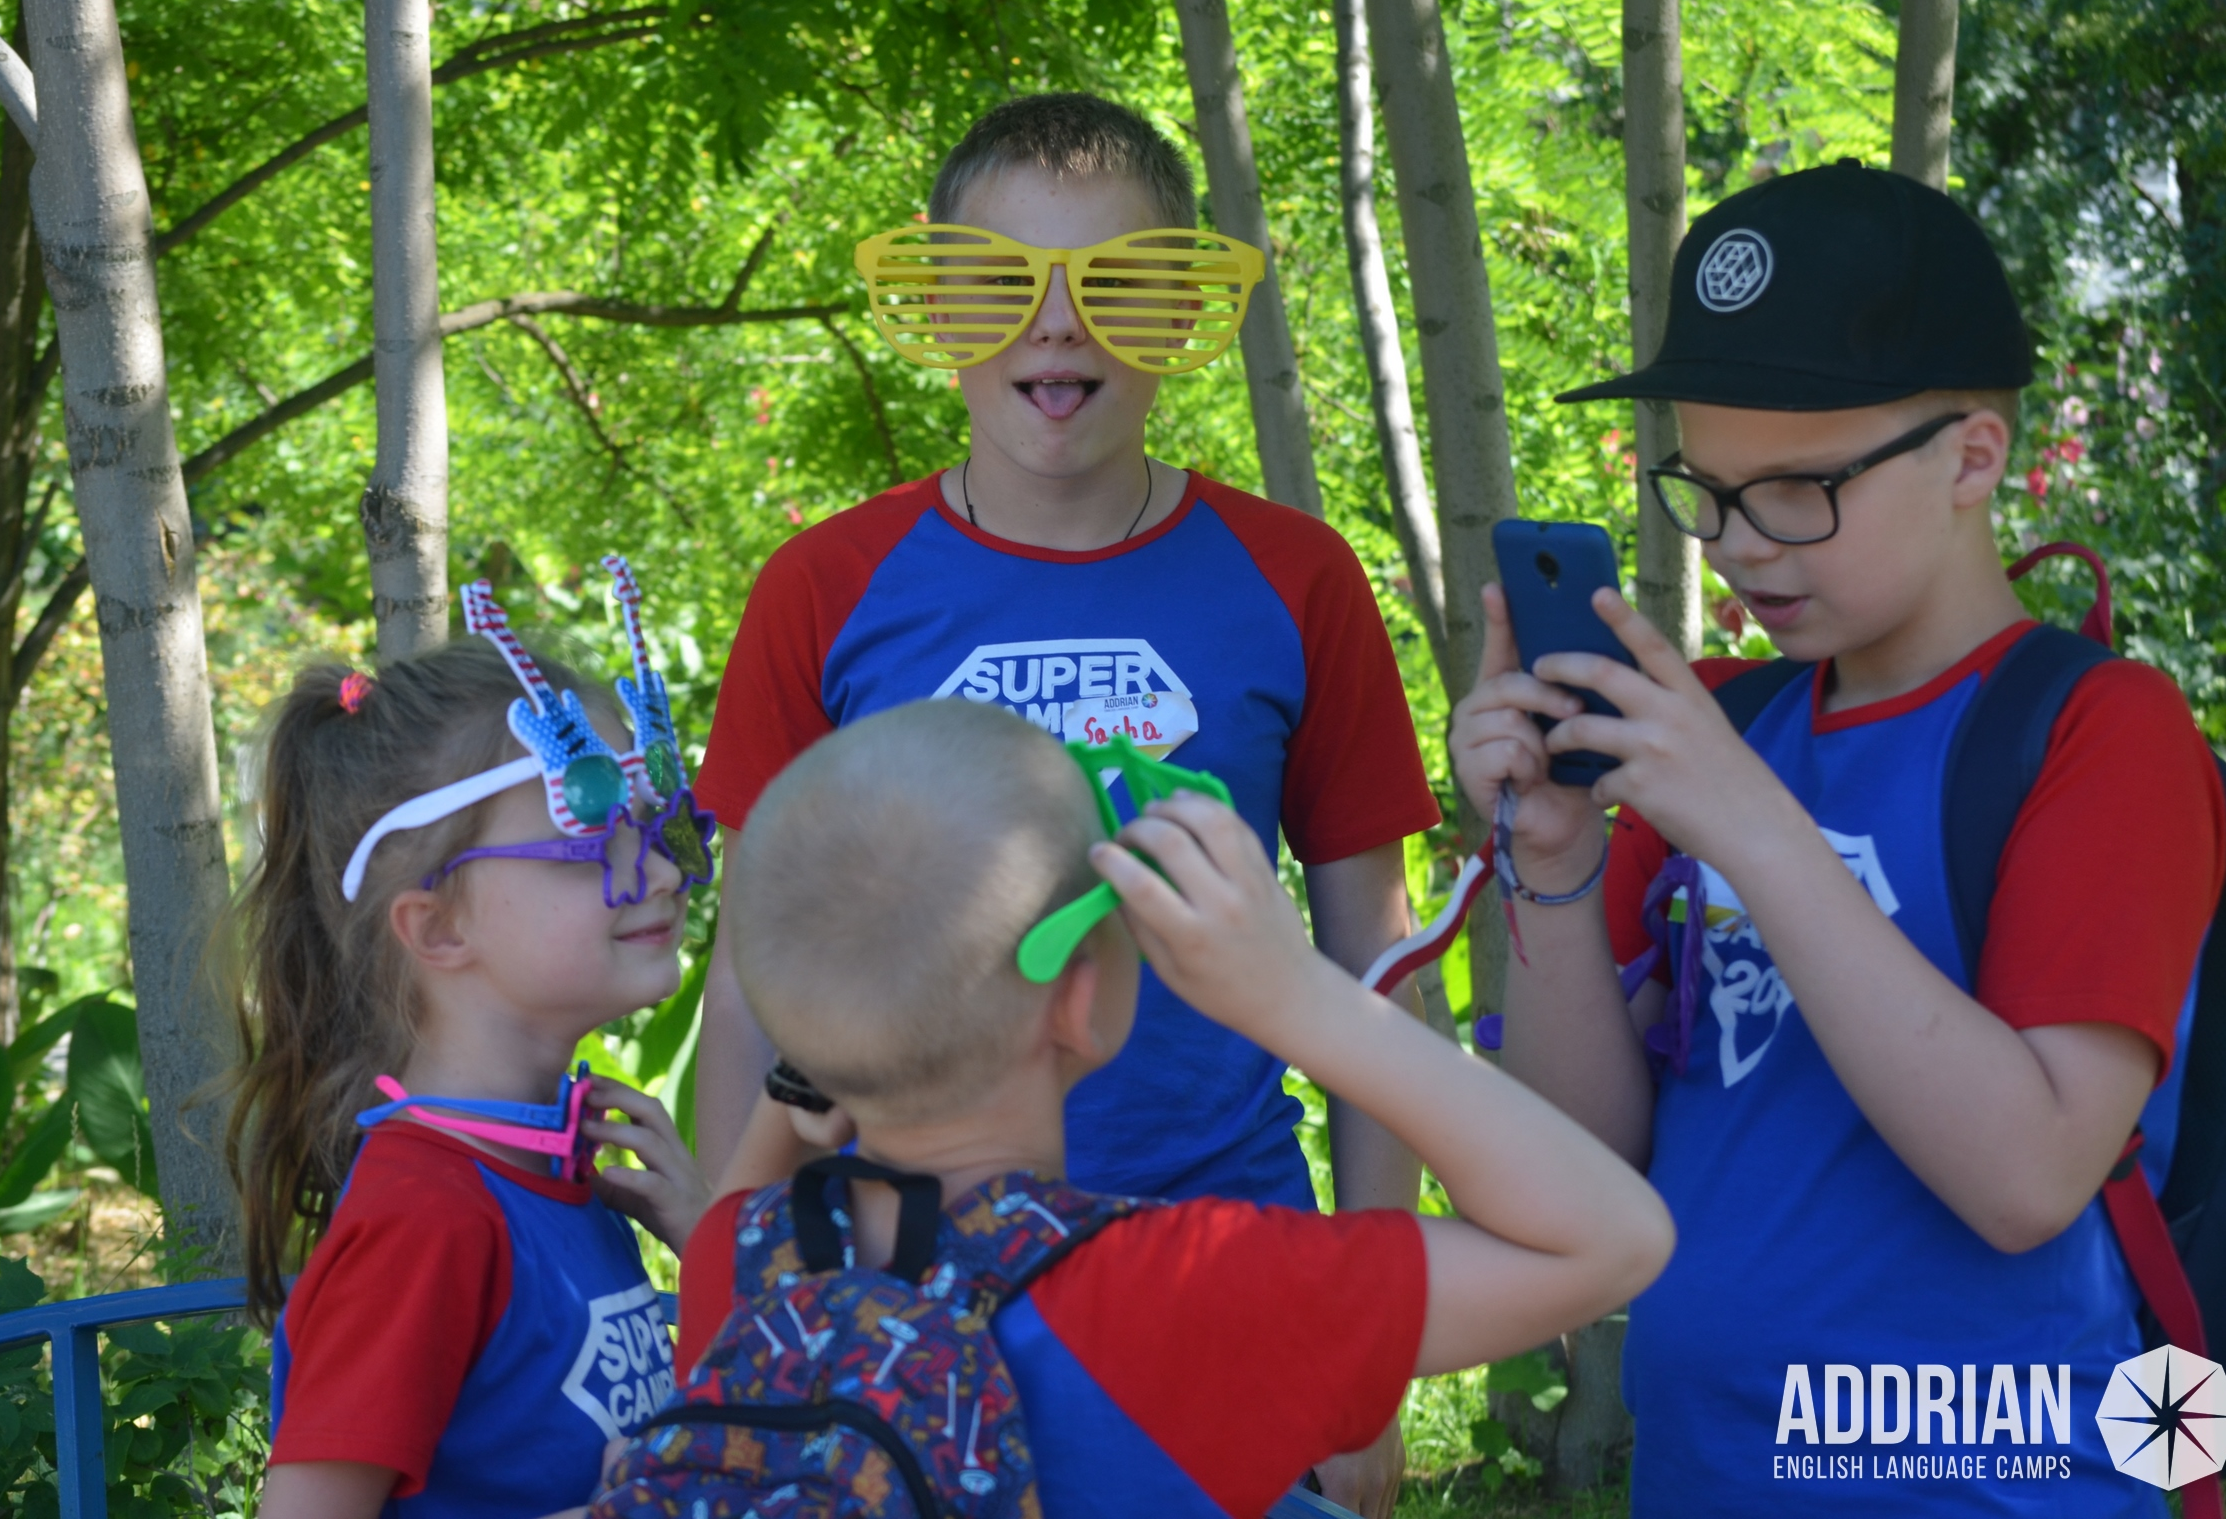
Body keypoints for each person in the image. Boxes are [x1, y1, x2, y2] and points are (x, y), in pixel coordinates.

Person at [1450, 161, 2226, 1516]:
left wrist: (1756, 831)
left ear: (1971, 458)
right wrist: (1560, 867)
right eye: (1708, 489)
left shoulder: (2098, 734)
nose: (1743, 547)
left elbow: (2027, 1177)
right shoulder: (1720, 725)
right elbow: (1575, 1165)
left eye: (1799, 489)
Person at [694, 97, 1440, 1504]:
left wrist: (1369, 1361)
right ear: (938, 303)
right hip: (897, 1285)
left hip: (1227, 1256)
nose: (1056, 326)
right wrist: (741, 1289)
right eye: (1000, 284)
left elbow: (1376, 959)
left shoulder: (1298, 578)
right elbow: (750, 985)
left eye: (1117, 284)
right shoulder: (822, 589)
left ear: (1182, 307)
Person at [645, 699, 1671, 1517]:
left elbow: (748, 1192)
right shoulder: (1188, 1288)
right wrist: (1295, 995)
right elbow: (1612, 1238)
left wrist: (829, 1047)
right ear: (1080, 999)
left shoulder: (740, 1258)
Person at [227, 574, 714, 1519]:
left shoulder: (559, 1176)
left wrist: (708, 1243)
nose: (660, 870)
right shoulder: (426, 1221)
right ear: (439, 928)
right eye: (592, 837)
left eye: (657, 824)